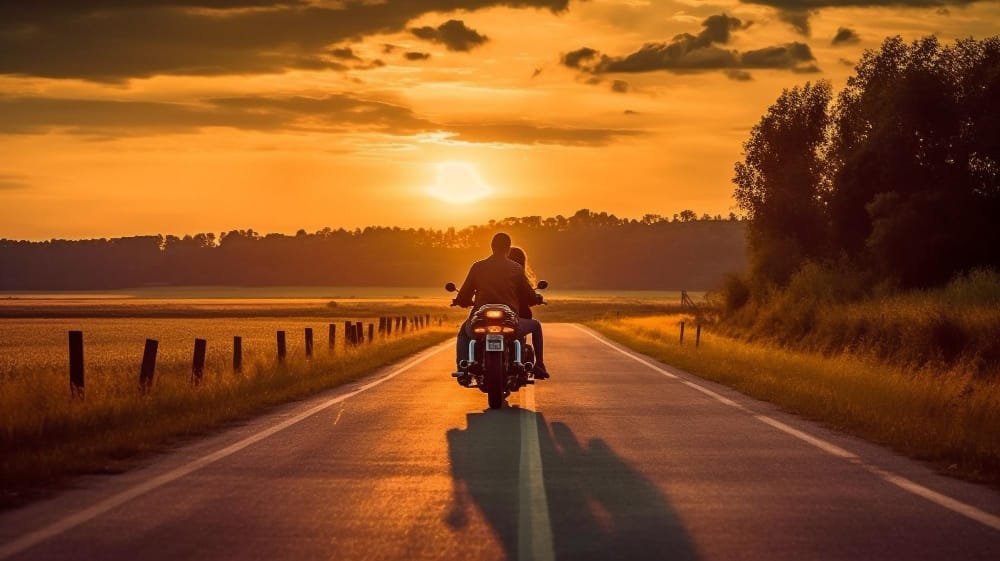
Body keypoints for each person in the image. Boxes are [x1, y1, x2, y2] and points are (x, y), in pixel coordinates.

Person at [452, 233, 537, 377]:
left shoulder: (478, 267)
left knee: (464, 333)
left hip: (481, 316)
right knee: (522, 332)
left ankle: (463, 368)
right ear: (508, 248)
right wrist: (535, 298)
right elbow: (528, 294)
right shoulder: (516, 268)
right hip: (508, 317)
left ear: (492, 247)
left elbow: (465, 292)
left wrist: (460, 301)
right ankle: (533, 364)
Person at [507, 246, 549, 379]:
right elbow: (530, 297)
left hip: (492, 319)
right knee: (536, 325)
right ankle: (540, 364)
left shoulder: (492, 274)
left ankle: (465, 364)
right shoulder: (519, 276)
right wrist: (537, 298)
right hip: (515, 320)